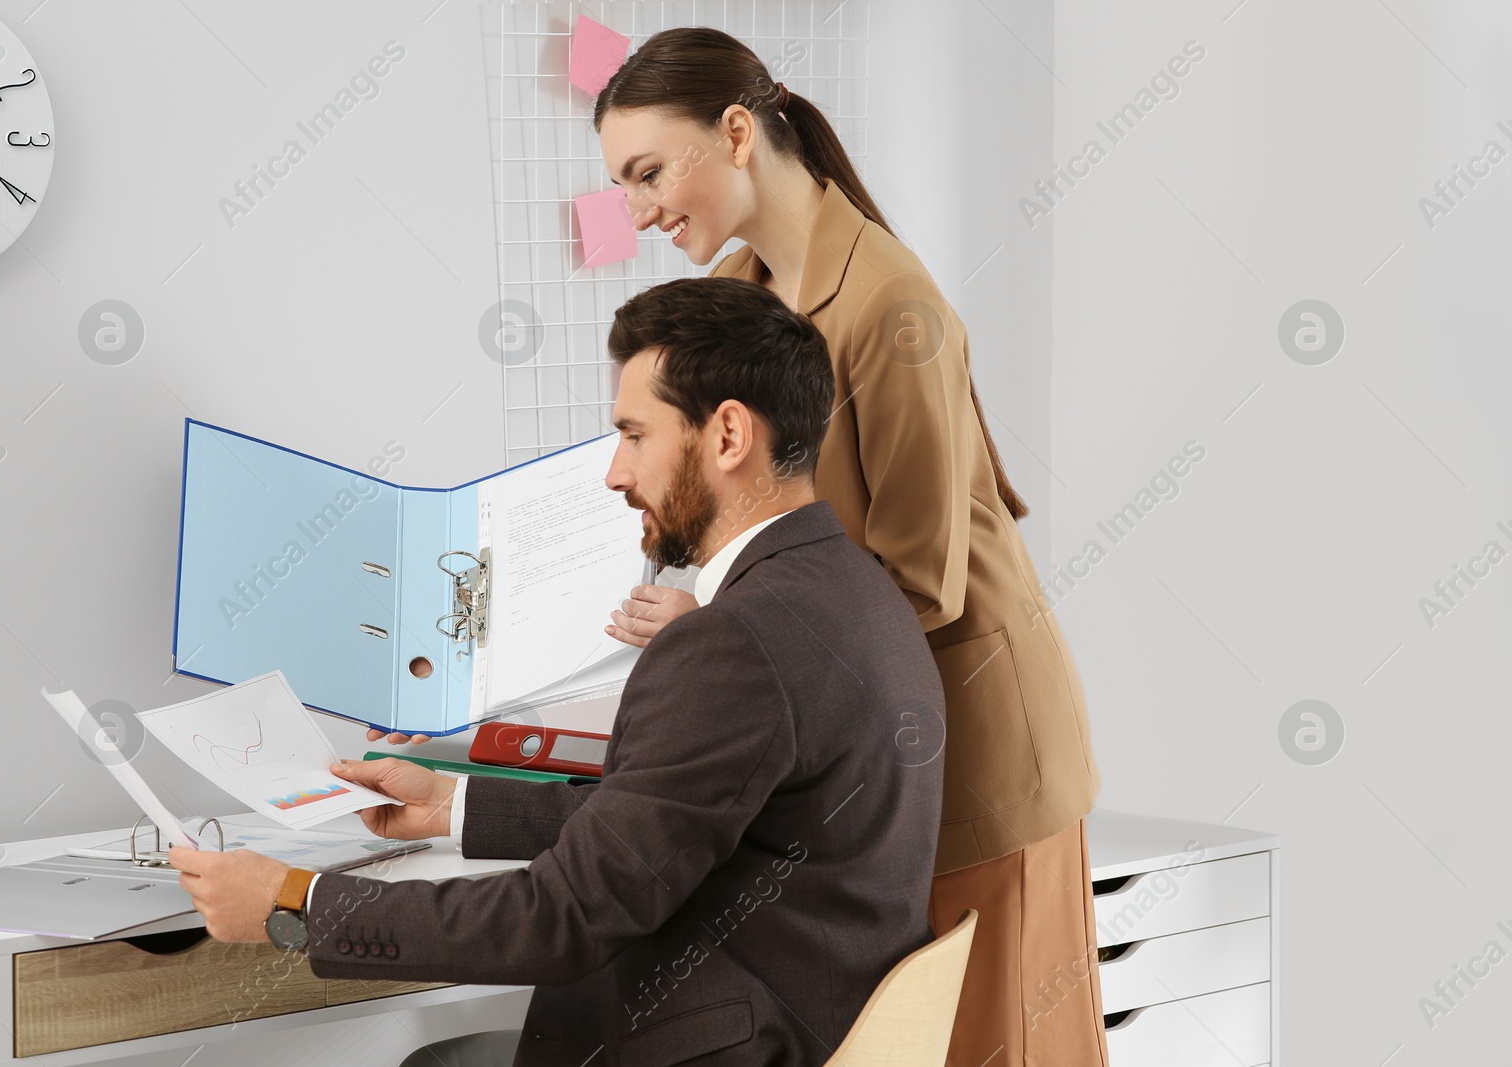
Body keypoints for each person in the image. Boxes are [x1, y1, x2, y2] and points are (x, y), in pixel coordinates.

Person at [170, 276, 947, 1067]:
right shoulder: (859, 592)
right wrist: (453, 804)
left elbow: (565, 917)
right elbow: (664, 823)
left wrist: (292, 901)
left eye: (635, 435)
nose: (615, 473)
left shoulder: (732, 642)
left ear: (727, 436)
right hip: (822, 1021)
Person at [589, 27, 1108, 1067]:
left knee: (989, 1043)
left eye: (647, 173)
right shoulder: (742, 285)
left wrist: (723, 635)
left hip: (970, 751)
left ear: (736, 133)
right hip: (865, 751)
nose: (637, 210)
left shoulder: (893, 308)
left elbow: (916, 583)